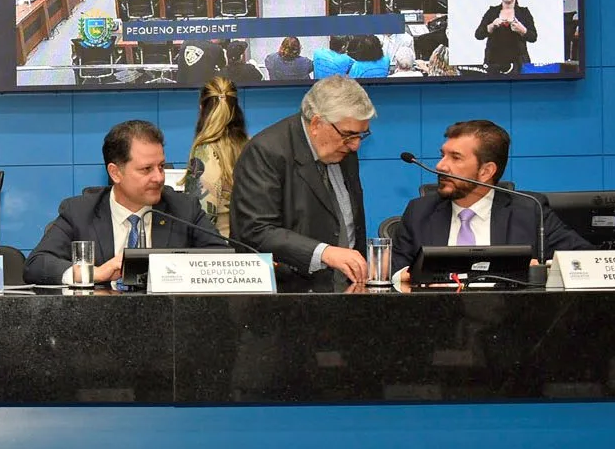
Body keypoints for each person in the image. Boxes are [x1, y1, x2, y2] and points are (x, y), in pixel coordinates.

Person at [25, 120, 227, 285]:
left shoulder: (183, 209)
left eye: (161, 166)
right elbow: (36, 264)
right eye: (146, 169)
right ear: (115, 172)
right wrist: (94, 273)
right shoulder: (80, 212)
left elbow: (223, 259)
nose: (158, 177)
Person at [230, 75, 374, 292]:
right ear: (316, 123)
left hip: (345, 293)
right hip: (288, 298)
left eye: (361, 135)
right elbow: (256, 231)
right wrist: (324, 252)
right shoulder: (266, 152)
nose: (355, 146)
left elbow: (347, 223)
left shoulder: (343, 151)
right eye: (348, 135)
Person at [390, 120, 590, 276]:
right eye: (442, 155)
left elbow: (584, 259)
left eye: (455, 157)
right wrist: (405, 276)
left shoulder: (529, 211)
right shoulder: (419, 212)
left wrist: (544, 270)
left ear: (486, 171)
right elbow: (393, 269)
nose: (441, 166)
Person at [181, 78, 250, 237]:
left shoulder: (204, 154)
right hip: (254, 252)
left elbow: (199, 221)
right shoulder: (253, 147)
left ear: (201, 108)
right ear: (236, 108)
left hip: (218, 253)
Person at [474, 0, 536, 74]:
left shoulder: (524, 12)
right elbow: (478, 35)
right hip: (493, 63)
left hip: (518, 63)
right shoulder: (492, 12)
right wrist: (492, 26)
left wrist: (522, 30)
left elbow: (533, 37)